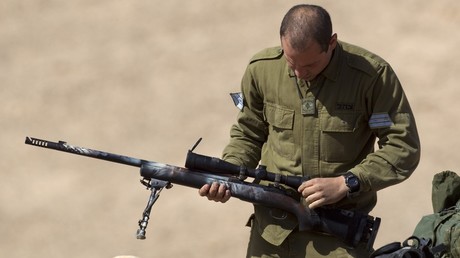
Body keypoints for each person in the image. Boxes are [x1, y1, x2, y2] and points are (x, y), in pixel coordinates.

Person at [199, 4, 421, 258]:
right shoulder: (262, 70)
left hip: (337, 237)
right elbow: (249, 133)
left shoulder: (372, 78)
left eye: (310, 66)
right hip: (271, 234)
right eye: (291, 62)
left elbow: (402, 147)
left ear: (332, 43)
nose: (299, 73)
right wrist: (230, 173)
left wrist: (347, 182)